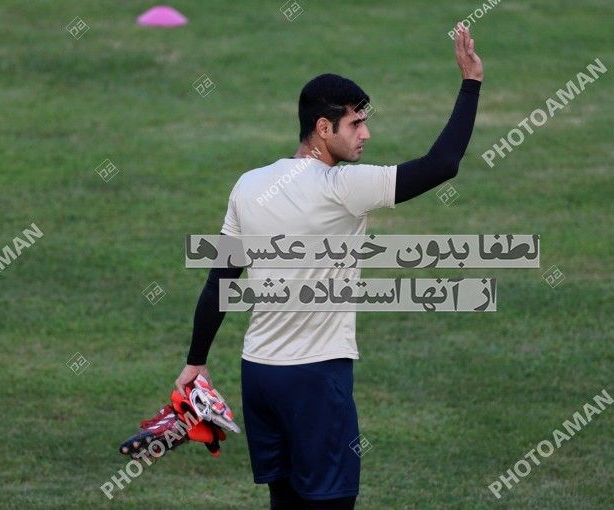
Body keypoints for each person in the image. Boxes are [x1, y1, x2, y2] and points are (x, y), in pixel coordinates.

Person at [175, 22, 484, 510]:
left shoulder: (249, 185)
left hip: (260, 376)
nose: (366, 133)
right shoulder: (343, 188)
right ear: (323, 128)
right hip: (315, 380)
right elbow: (442, 164)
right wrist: (471, 84)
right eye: (355, 124)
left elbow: (220, 281)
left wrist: (195, 361)